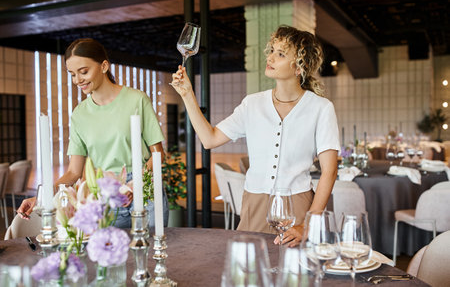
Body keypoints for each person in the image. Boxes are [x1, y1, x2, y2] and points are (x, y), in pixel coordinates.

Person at [171, 25, 339, 246]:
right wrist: (187, 94)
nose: (270, 57)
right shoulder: (252, 103)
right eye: (272, 51)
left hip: (299, 204)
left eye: (280, 54)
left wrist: (309, 222)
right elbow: (210, 139)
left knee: (296, 274)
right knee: (251, 271)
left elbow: (329, 170)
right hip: (254, 203)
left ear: (299, 66)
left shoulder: (321, 108)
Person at [18, 38, 169, 228]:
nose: (77, 80)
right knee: (111, 256)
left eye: (83, 72)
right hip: (104, 193)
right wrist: (41, 196)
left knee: (153, 253)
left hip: (146, 191)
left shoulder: (137, 100)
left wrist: (134, 184)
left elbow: (158, 154)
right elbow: (74, 172)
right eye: (72, 74)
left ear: (104, 66)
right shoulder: (79, 114)